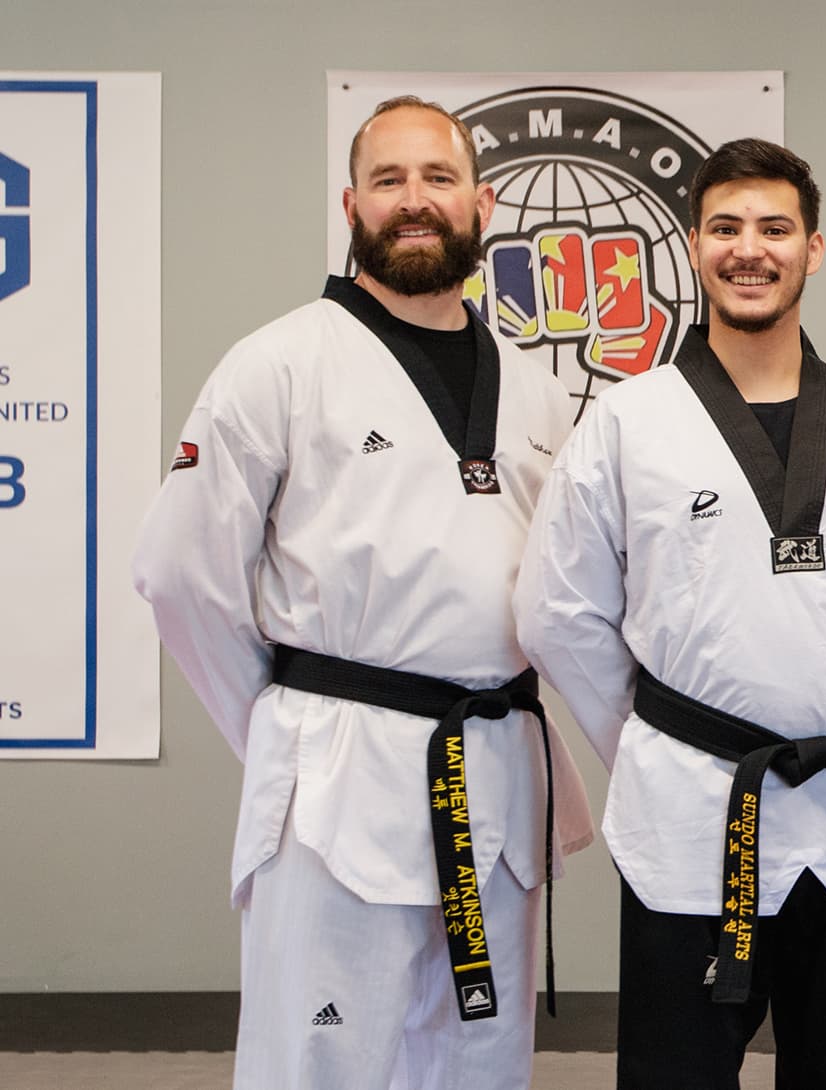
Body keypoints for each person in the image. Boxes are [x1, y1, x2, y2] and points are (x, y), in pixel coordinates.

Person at [134, 96, 593, 1089]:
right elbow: (176, 571)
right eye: (389, 180)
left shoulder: (535, 383)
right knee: (322, 1063)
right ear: (351, 203)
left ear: (486, 200)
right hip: (336, 774)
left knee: (481, 1059)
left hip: (498, 770)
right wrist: (278, 725)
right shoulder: (280, 363)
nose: (415, 201)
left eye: (437, 177)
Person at [512, 138, 826, 1089]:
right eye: (725, 228)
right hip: (687, 809)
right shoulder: (629, 422)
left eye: (774, 228)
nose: (749, 249)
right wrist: (656, 740)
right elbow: (557, 613)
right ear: (694, 244)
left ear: (815, 248)